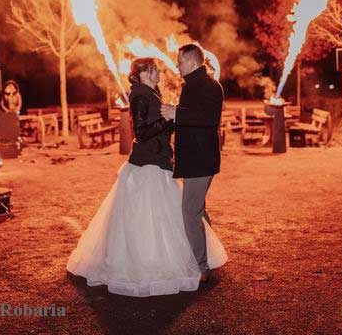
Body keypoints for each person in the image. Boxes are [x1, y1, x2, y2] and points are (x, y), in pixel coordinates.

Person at [66, 57, 228, 297]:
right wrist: (167, 120)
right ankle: (151, 263)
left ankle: (194, 258)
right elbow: (141, 132)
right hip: (147, 163)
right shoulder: (140, 95)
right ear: (141, 74)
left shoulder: (153, 93)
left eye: (156, 69)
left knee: (175, 213)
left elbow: (162, 125)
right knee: (148, 216)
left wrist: (175, 119)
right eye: (152, 70)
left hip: (160, 160)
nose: (157, 73)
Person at [161, 44, 224, 283]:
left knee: (190, 211)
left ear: (193, 63)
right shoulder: (192, 85)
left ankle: (201, 266)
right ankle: (212, 257)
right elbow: (191, 118)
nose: (177, 66)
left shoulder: (208, 86)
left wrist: (176, 114)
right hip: (195, 160)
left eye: (180, 62)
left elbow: (209, 119)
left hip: (201, 161)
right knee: (197, 209)